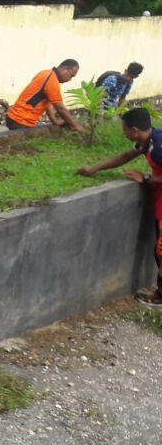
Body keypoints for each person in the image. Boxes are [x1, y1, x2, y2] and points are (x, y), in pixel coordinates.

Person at [77, 107, 162, 306]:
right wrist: (94, 168)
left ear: (133, 130)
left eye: (124, 128)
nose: (122, 132)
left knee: (160, 249)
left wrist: (146, 177)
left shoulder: (157, 149)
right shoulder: (148, 140)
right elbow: (125, 156)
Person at [5, 59, 86, 132]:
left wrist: (54, 121)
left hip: (17, 118)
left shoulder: (45, 73)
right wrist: (76, 126)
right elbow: (60, 108)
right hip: (20, 120)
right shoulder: (51, 80)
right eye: (71, 75)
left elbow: (47, 103)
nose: (70, 79)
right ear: (65, 69)